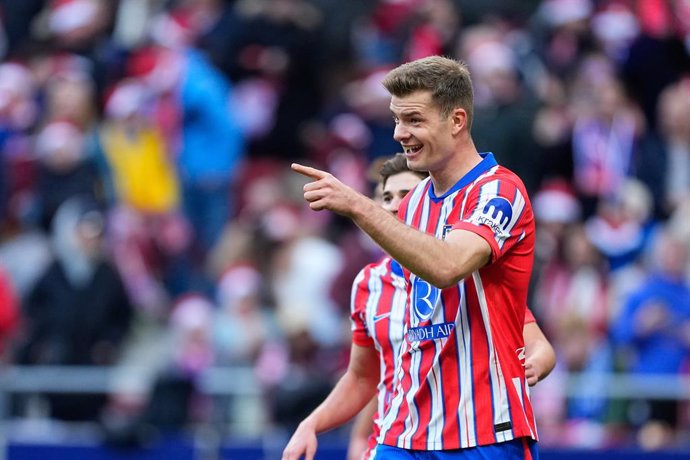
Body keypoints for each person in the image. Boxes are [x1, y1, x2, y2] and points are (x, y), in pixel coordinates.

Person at [287, 56, 539, 458]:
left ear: (457, 121)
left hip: (484, 433)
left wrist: (357, 205)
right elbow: (366, 373)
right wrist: (313, 423)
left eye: (414, 120)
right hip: (404, 434)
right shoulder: (414, 205)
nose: (400, 133)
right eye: (396, 120)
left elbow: (447, 267)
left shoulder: (500, 192)